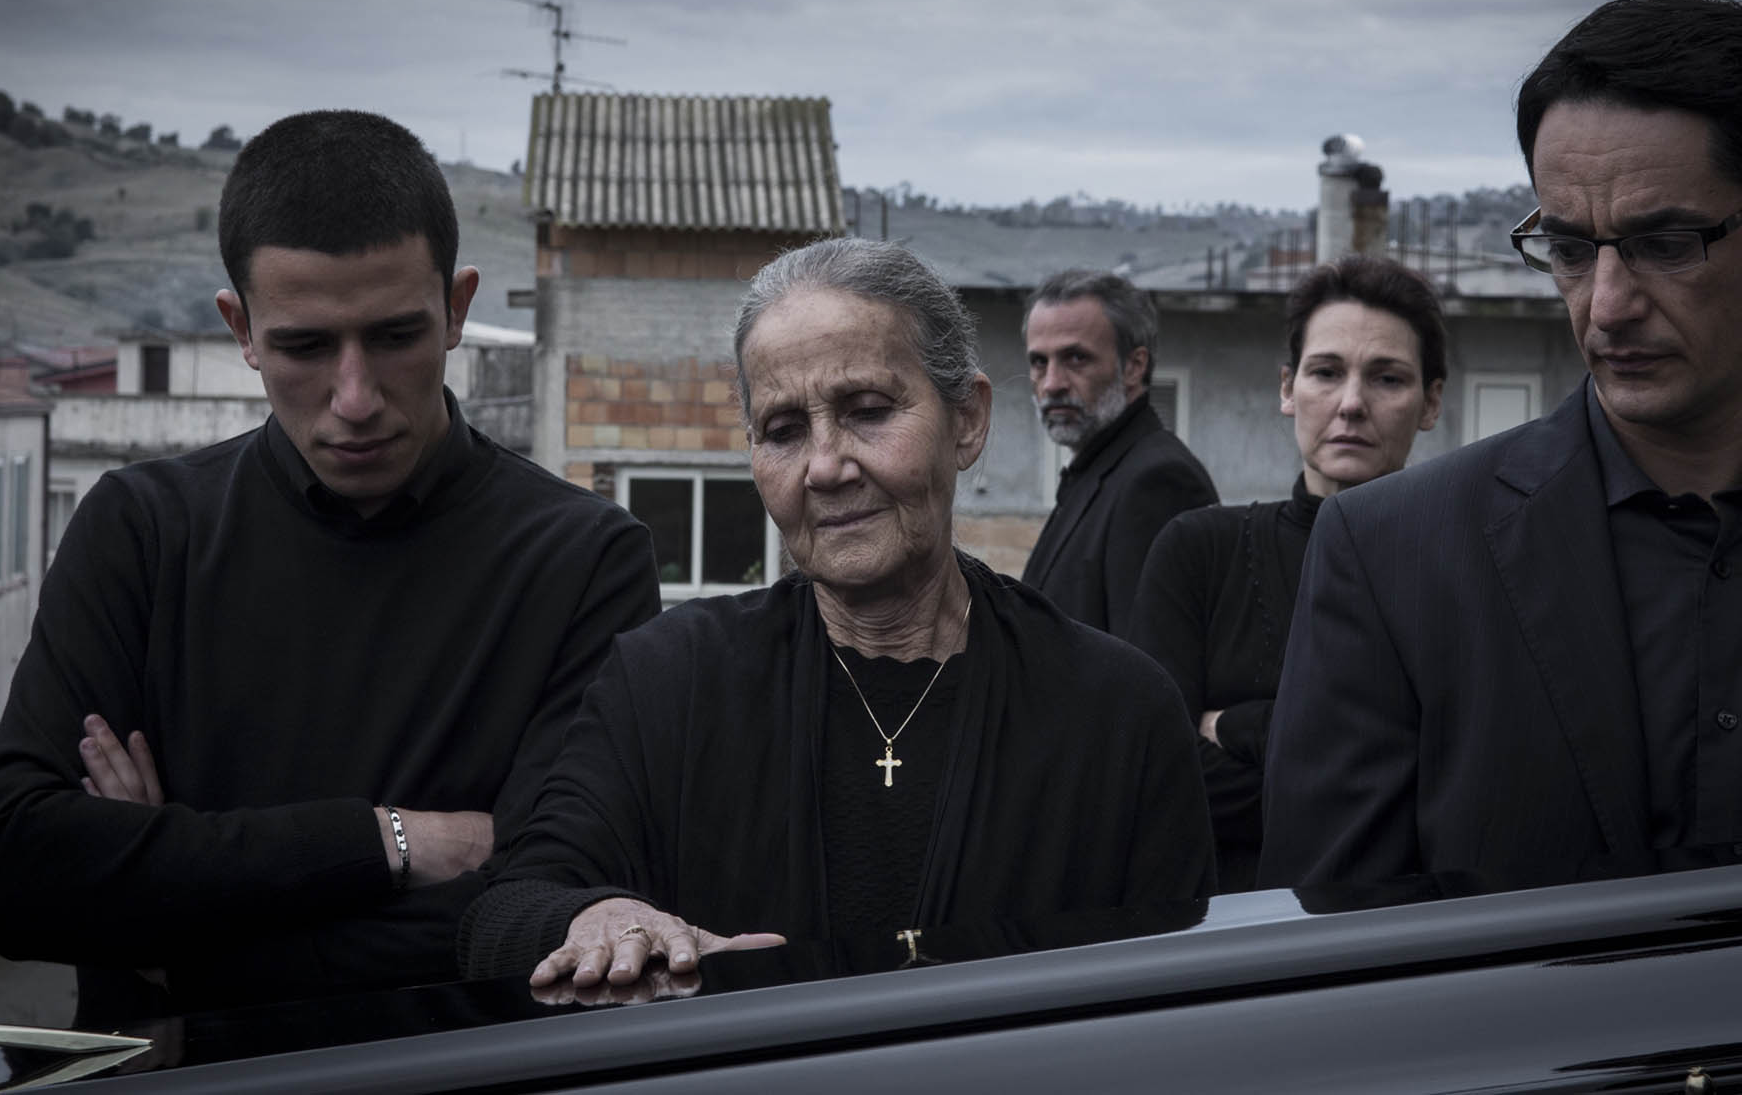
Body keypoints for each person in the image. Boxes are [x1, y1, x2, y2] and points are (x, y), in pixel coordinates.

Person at [0, 110, 660, 1022]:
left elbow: (532, 917)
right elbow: (17, 876)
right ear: (241, 328)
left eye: (395, 336)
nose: (355, 397)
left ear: (457, 309)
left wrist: (171, 931)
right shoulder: (140, 532)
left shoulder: (586, 561)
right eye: (305, 346)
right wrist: (388, 841)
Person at [1260, 0, 1742, 892]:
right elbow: (1335, 944)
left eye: (1664, 243)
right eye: (1567, 248)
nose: (1606, 305)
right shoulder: (1389, 556)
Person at [457, 238, 1212, 991]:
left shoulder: (1117, 714)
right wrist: (601, 918)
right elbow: (510, 906)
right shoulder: (667, 684)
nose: (824, 466)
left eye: (869, 411)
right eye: (783, 430)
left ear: (967, 421)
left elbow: (1173, 1005)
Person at [1132, 255, 1445, 891]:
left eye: (1387, 378)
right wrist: (1369, 790)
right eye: (1326, 372)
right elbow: (1154, 771)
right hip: (1225, 929)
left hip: (1404, 927)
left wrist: (1240, 726)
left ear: (1431, 401)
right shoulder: (1198, 552)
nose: (1351, 404)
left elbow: (1458, 781)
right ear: (1287, 388)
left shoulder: (1460, 568)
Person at [1018, 269, 1217, 637]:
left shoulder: (1158, 482)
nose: (1052, 384)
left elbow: (1147, 660)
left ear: (1134, 367)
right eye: (1039, 362)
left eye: (1075, 358)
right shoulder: (1097, 469)